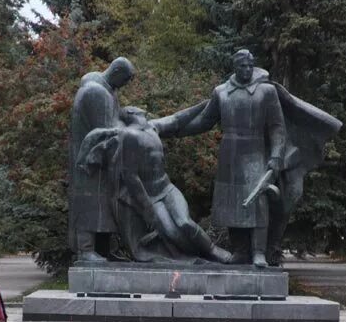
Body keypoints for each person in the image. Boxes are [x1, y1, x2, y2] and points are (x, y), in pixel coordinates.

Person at [157, 49, 342, 266]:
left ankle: (258, 252)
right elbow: (204, 121)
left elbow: (277, 128)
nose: (247, 70)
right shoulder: (221, 92)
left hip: (255, 152)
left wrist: (276, 156)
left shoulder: (266, 91)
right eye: (242, 66)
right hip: (229, 154)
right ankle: (241, 251)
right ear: (235, 67)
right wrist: (173, 131)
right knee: (231, 203)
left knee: (258, 201)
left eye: (250, 65)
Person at [78, 107, 231, 263]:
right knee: (171, 232)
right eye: (139, 110)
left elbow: (177, 119)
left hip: (167, 188)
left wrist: (206, 105)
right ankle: (197, 256)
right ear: (131, 113)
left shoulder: (152, 127)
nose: (144, 111)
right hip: (152, 197)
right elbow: (130, 176)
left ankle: (212, 250)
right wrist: (147, 209)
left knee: (185, 222)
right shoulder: (130, 135)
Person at [68, 57, 136, 262]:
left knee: (105, 205)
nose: (125, 84)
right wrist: (135, 130)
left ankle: (105, 250)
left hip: (101, 159)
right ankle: (85, 250)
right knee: (90, 202)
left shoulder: (108, 91)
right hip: (89, 161)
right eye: (125, 79)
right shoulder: (95, 92)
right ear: (116, 72)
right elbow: (108, 128)